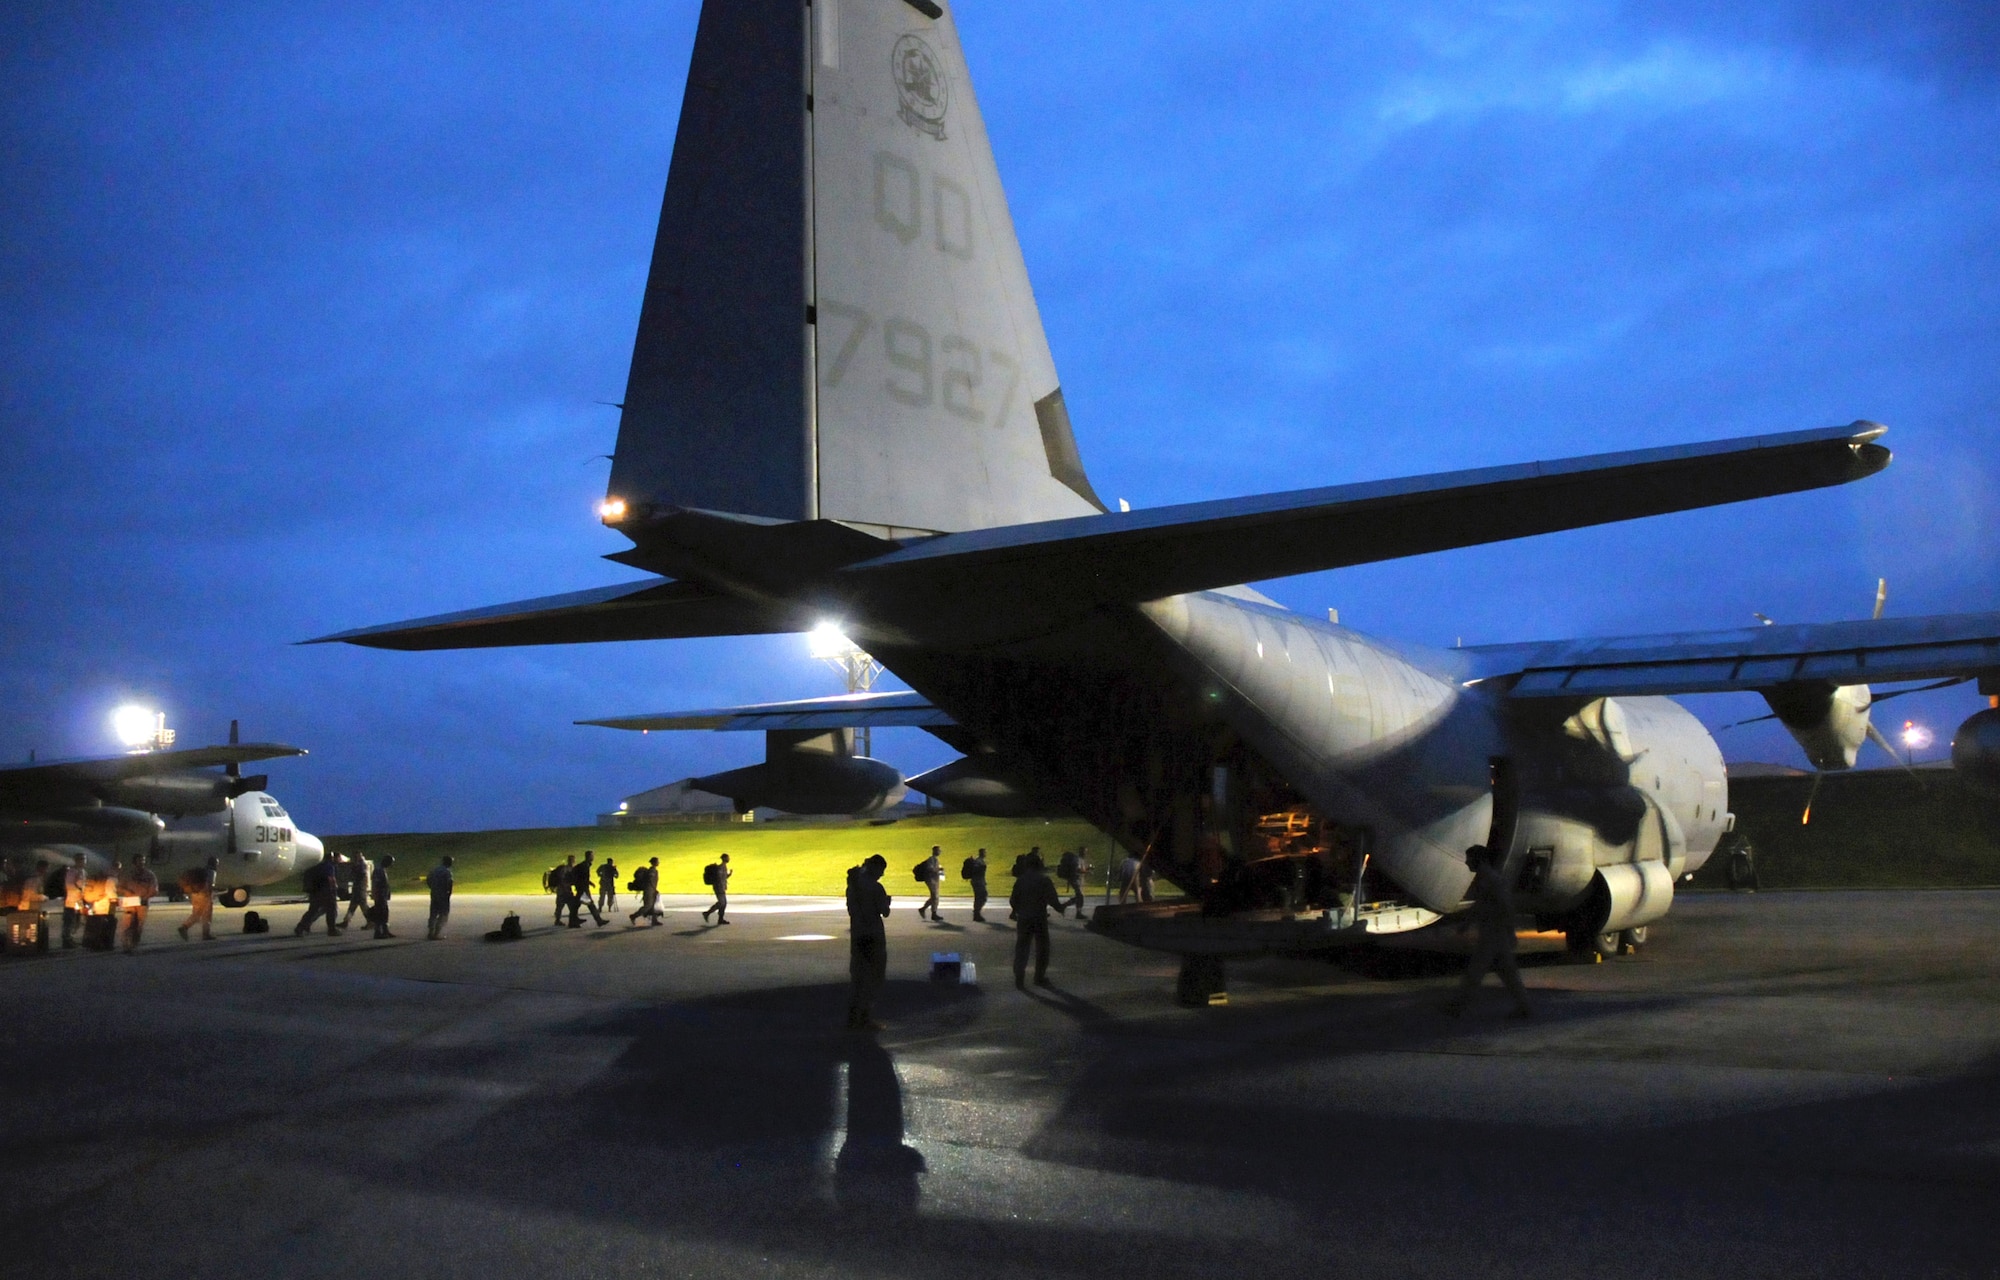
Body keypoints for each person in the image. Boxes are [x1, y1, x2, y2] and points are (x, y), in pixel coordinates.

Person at [1444, 844, 1532, 1019]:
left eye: (1470, 858)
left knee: (1475, 972)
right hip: (1494, 933)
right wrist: (1468, 923)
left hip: (1493, 933)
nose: (1467, 862)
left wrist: (1510, 931)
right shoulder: (1486, 878)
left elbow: (1504, 905)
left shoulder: (1490, 879)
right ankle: (1524, 1008)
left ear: (1479, 859)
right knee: (1508, 974)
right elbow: (1482, 904)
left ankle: (1458, 1007)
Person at [845, 854, 891, 1031]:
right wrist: (887, 903)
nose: (882, 875)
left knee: (858, 977)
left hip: (858, 935)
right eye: (881, 870)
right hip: (873, 935)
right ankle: (865, 1017)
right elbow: (884, 912)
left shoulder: (853, 885)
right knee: (874, 977)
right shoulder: (876, 887)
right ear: (876, 868)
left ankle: (853, 1016)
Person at [1009, 850, 1064, 990]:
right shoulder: (1044, 880)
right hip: (1039, 918)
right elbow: (1053, 900)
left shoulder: (1021, 880)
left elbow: (1013, 899)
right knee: (1042, 948)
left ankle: (1019, 978)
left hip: (1024, 919)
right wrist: (1061, 907)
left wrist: (1017, 910)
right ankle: (1039, 976)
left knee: (1022, 947)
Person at [117, 854, 159, 953]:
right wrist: (127, 891)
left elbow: (154, 889)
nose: (141, 863)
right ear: (134, 862)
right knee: (128, 923)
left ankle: (134, 943)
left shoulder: (149, 874)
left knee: (139, 924)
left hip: (143, 901)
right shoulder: (128, 874)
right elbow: (119, 887)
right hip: (130, 901)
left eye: (143, 860)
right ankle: (126, 943)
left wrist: (147, 896)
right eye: (139, 860)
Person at [295, 851, 342, 936]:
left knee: (312, 911)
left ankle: (300, 927)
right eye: (339, 857)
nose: (340, 859)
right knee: (332, 911)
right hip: (326, 892)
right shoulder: (329, 866)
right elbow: (330, 879)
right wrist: (335, 888)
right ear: (332, 858)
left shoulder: (320, 865)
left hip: (315, 892)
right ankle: (332, 929)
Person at [178, 855, 219, 941]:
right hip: (204, 895)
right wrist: (210, 896)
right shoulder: (211, 872)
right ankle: (205, 934)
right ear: (214, 863)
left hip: (195, 894)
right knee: (206, 916)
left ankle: (185, 926)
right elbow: (210, 885)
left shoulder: (202, 871)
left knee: (196, 914)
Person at [568, 851, 607, 928]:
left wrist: (589, 883)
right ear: (589, 856)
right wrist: (586, 886)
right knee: (590, 905)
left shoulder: (584, 865)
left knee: (576, 906)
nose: (593, 857)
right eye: (592, 855)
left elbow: (583, 877)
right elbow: (583, 878)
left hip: (581, 889)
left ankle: (573, 921)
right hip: (583, 889)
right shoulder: (584, 866)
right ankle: (599, 921)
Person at [339, 850, 370, 928]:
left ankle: (371, 921)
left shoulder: (361, 865)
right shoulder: (359, 864)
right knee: (353, 906)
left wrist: (354, 869)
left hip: (360, 888)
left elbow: (360, 874)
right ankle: (346, 921)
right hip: (357, 888)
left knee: (364, 906)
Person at [61, 851, 86, 949]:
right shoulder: (72, 871)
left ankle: (70, 938)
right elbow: (70, 885)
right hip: (72, 900)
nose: (84, 861)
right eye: (82, 859)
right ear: (76, 861)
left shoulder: (83, 872)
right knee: (69, 921)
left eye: (84, 859)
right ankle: (67, 940)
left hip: (79, 900)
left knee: (77, 920)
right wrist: (79, 891)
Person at [425, 855, 454, 940]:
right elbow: (449, 883)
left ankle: (430, 932)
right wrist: (449, 893)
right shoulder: (447, 872)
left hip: (434, 893)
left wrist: (432, 887)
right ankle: (436, 933)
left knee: (433, 913)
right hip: (443, 895)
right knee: (443, 914)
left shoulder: (435, 870)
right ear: (448, 862)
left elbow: (428, 879)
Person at [629, 856, 662, 926]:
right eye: (657, 861)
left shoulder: (653, 870)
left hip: (651, 890)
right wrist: (654, 889)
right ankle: (634, 916)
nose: (658, 862)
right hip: (649, 890)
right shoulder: (652, 871)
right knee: (648, 906)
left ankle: (654, 920)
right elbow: (650, 881)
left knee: (653, 906)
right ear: (654, 862)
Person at [370, 853, 396, 939]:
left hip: (383, 896)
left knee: (384, 914)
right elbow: (375, 884)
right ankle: (378, 932)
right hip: (380, 896)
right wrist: (375, 895)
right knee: (380, 914)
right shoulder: (378, 870)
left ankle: (385, 931)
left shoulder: (383, 870)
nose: (392, 865)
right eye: (391, 862)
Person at [1057, 848, 1087, 919]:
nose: (1086, 853)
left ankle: (1065, 906)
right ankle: (1077, 913)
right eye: (1085, 852)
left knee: (1078, 896)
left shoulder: (1076, 859)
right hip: (1075, 880)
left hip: (1074, 879)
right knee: (1080, 896)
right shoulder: (1078, 859)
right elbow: (1078, 870)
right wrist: (1087, 871)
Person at [914, 846, 943, 922]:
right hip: (931, 880)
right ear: (934, 851)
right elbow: (930, 869)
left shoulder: (935, 859)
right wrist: (938, 870)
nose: (939, 852)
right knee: (934, 896)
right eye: (938, 851)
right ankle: (932, 913)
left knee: (934, 897)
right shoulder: (931, 859)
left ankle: (925, 910)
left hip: (934, 880)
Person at [702, 852, 731, 924]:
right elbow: (719, 878)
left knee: (724, 903)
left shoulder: (724, 867)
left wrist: (729, 875)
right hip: (718, 888)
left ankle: (720, 919)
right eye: (727, 857)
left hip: (721, 887)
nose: (729, 859)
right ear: (724, 858)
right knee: (722, 903)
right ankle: (707, 913)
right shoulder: (720, 868)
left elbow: (723, 877)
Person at [962, 848, 989, 922]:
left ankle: (977, 912)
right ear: (981, 853)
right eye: (984, 852)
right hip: (978, 882)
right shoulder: (978, 862)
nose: (985, 854)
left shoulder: (980, 861)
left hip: (979, 881)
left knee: (980, 897)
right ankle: (976, 913)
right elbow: (977, 872)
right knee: (981, 897)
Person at [550, 856, 575, 925]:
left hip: (562, 889)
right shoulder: (566, 869)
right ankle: (572, 921)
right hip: (565, 889)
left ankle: (558, 920)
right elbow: (562, 879)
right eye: (573, 860)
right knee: (571, 905)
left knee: (560, 905)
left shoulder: (567, 868)